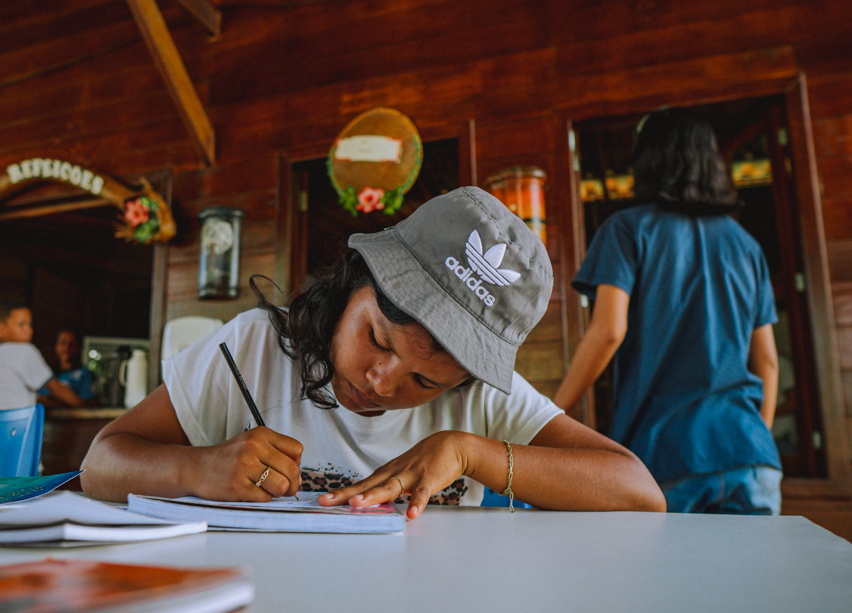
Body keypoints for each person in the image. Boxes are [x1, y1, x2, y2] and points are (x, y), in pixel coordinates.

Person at [81, 187, 665, 518]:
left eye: (427, 382)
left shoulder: (481, 400)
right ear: (351, 285)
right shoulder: (251, 349)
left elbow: (639, 493)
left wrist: (469, 453)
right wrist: (195, 468)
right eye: (377, 339)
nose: (383, 383)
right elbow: (100, 464)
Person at [551, 108, 782, 515]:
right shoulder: (746, 246)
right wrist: (752, 438)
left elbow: (608, 331)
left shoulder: (626, 229)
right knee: (754, 580)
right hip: (750, 453)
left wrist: (551, 413)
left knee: (672, 579)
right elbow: (767, 362)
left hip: (667, 453)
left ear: (648, 160)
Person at [0, 298, 86, 411]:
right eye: (21, 325)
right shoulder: (24, 351)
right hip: (15, 429)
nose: (30, 330)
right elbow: (57, 389)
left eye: (29, 324)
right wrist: (85, 408)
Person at [38, 330, 98, 405]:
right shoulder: (49, 373)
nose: (67, 347)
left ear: (78, 347)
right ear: (56, 346)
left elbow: (90, 406)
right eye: (63, 342)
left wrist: (55, 402)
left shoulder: (85, 374)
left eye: (72, 344)